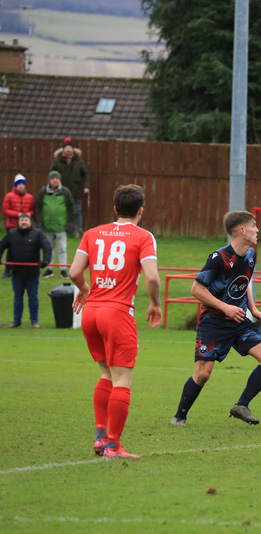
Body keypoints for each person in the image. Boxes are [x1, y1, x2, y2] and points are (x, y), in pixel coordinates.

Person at [69, 185, 161, 459]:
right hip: (117, 312)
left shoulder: (91, 233)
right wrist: (155, 303)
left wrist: (85, 290)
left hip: (91, 313)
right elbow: (153, 278)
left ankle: (100, 439)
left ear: (115, 209)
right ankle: (112, 446)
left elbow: (74, 271)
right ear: (140, 211)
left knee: (105, 374)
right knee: (122, 379)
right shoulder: (143, 236)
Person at [170, 211, 261, 426]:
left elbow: (243, 282)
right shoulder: (218, 258)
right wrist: (225, 307)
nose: (257, 230)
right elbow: (196, 289)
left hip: (239, 321)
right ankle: (179, 417)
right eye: (253, 226)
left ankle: (241, 405)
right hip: (214, 322)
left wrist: (254, 309)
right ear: (241, 230)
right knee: (202, 374)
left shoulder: (251, 254)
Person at [0, 213, 51, 328]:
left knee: (33, 296)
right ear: (18, 222)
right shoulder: (12, 233)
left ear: (30, 222)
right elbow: (1, 245)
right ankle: (16, 321)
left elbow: (47, 247)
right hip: (17, 272)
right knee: (18, 297)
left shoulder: (37, 233)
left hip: (32, 273)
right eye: (21, 220)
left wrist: (45, 261)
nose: (24, 222)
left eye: (26, 220)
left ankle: (34, 321)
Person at [34, 170, 75, 278]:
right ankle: (49, 268)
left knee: (62, 248)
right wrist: (39, 221)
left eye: (57, 178)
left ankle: (63, 269)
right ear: (49, 180)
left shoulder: (65, 192)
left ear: (59, 180)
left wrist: (69, 222)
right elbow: (37, 206)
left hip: (61, 226)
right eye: (53, 178)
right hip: (47, 227)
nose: (55, 180)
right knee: (48, 248)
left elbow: (71, 207)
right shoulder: (43, 192)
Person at [50, 138, 89, 236]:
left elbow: (86, 174)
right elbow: (51, 174)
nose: (68, 149)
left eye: (70, 147)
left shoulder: (79, 161)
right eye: (66, 147)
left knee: (77, 211)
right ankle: (64, 230)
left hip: (76, 190)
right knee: (62, 211)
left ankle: (77, 230)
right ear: (63, 149)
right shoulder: (57, 161)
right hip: (61, 190)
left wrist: (86, 186)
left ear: (73, 149)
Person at [2, 174, 34, 278]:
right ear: (15, 185)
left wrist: (28, 215)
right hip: (12, 226)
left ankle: (25, 269)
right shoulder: (9, 196)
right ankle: (7, 270)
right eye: (19, 184)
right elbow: (5, 210)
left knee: (25, 247)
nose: (21, 186)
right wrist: (17, 215)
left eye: (23, 184)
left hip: (26, 227)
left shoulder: (29, 197)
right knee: (11, 248)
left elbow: (32, 210)